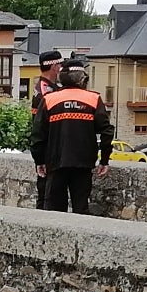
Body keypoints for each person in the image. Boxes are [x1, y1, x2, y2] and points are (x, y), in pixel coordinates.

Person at [30, 57, 114, 213]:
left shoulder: (49, 99)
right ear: (83, 79)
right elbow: (106, 131)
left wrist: (39, 160)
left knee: (54, 211)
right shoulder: (93, 99)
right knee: (81, 209)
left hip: (55, 163)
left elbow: (38, 134)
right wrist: (104, 160)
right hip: (83, 164)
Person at [30, 49, 64, 208]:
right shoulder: (45, 91)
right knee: (46, 194)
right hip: (48, 148)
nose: (61, 68)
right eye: (59, 64)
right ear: (54, 67)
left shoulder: (48, 87)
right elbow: (40, 125)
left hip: (49, 147)